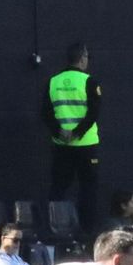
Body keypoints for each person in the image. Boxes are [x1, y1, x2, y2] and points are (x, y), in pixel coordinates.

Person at [44, 42, 102, 232]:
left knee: (58, 187)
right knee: (88, 189)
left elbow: (46, 113)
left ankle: (55, 228)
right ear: (82, 58)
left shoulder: (53, 81)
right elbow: (93, 113)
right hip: (86, 145)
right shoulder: (89, 81)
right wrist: (76, 133)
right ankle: (88, 231)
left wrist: (59, 131)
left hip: (61, 145)